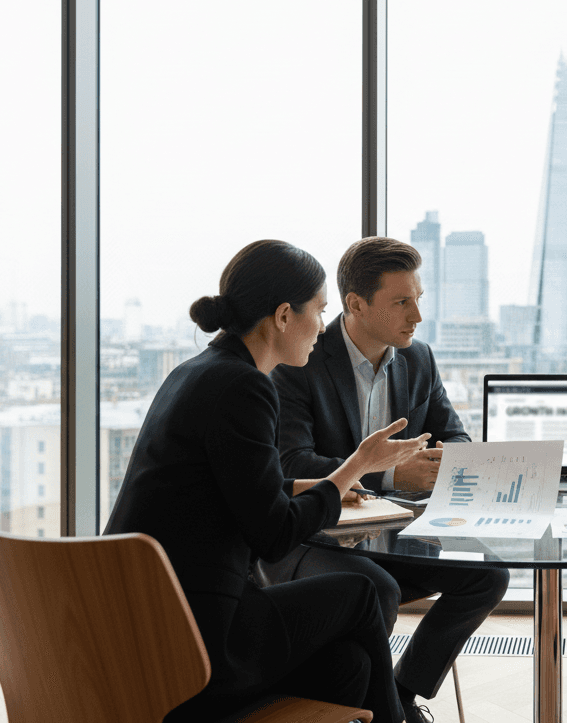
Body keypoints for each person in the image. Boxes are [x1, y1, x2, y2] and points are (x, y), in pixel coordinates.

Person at [104, 240, 430, 723]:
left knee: (350, 666)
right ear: (282, 316)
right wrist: (356, 465)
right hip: (201, 641)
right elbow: (273, 534)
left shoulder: (196, 372)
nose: (323, 328)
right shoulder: (245, 386)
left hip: (149, 626)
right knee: (362, 594)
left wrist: (322, 485)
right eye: (318, 313)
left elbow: (234, 490)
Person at [259, 237, 511, 722]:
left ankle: (401, 692)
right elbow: (291, 463)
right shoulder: (300, 358)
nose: (417, 315)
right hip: (313, 539)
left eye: (418, 299)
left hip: (394, 535)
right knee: (380, 590)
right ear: (355, 304)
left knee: (489, 574)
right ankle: (380, 711)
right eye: (401, 302)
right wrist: (392, 471)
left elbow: (454, 434)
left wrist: (446, 460)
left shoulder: (419, 359)